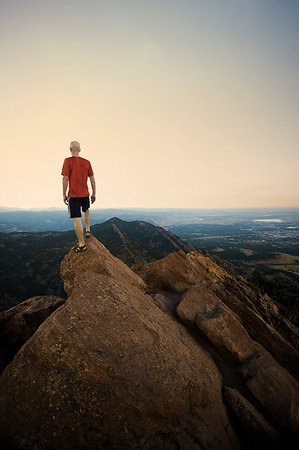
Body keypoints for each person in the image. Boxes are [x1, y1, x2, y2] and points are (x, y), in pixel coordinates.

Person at [61, 141, 96, 253]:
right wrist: (94, 193)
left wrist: (63, 194)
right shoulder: (87, 162)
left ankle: (81, 244)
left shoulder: (67, 161)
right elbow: (92, 179)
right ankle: (88, 230)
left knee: (77, 219)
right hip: (85, 193)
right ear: (79, 150)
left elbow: (65, 178)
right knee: (86, 210)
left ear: (70, 149)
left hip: (74, 195)